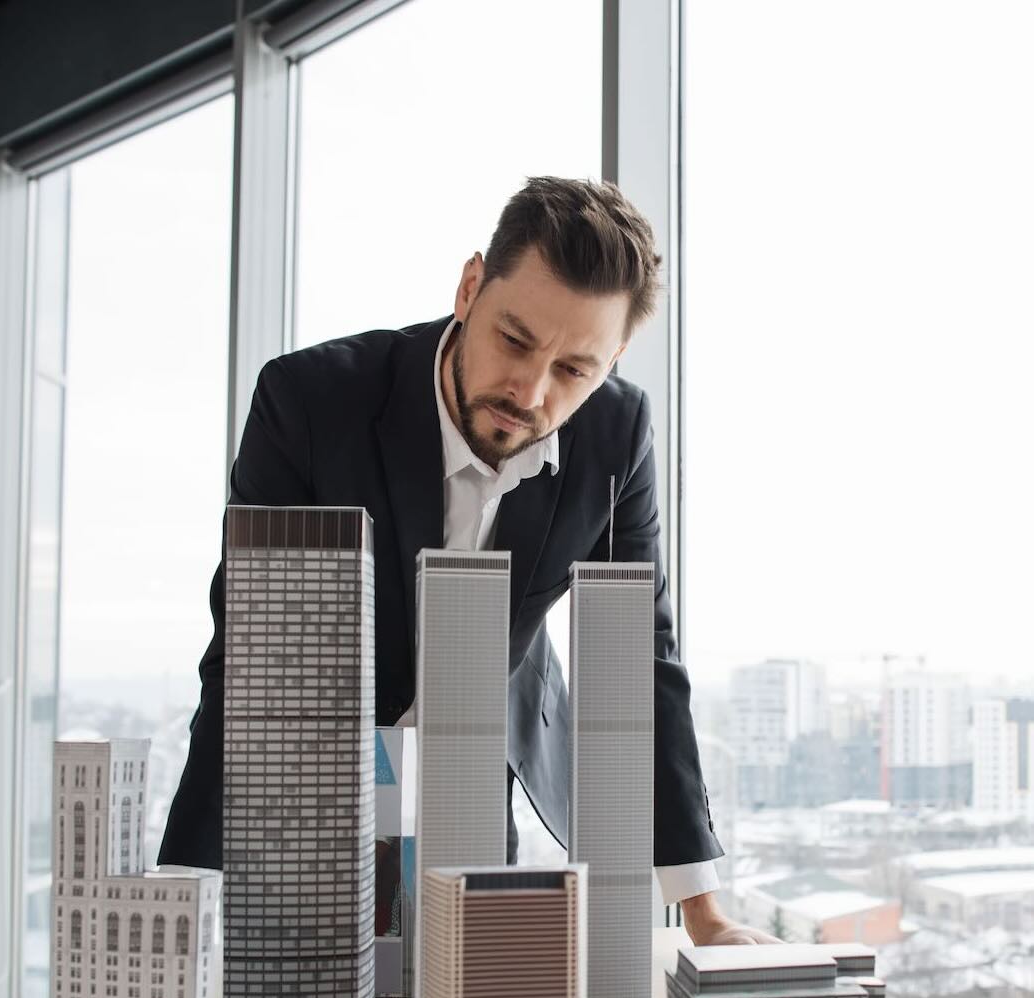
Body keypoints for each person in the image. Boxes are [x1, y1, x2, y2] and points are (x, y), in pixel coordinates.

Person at [159, 176, 780, 948]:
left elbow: (641, 660)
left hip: (479, 764)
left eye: (573, 370)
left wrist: (703, 914)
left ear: (613, 359)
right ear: (469, 288)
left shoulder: (616, 434)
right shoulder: (311, 402)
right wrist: (187, 893)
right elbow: (250, 655)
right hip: (318, 768)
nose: (529, 391)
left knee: (470, 991)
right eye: (514, 341)